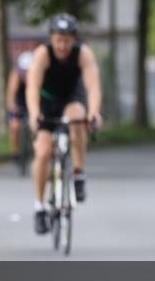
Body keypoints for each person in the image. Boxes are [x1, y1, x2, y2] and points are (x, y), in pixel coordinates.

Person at [26, 14, 103, 235]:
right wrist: (33, 114)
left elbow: (93, 86)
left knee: (77, 119)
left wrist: (94, 111)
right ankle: (39, 207)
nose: (62, 45)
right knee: (42, 152)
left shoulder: (83, 54)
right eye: (58, 39)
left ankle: (79, 173)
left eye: (67, 40)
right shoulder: (43, 54)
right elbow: (32, 87)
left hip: (71, 99)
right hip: (46, 103)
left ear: (74, 40)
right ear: (51, 38)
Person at [6, 51, 33, 159]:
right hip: (19, 102)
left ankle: (33, 147)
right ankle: (15, 152)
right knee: (14, 126)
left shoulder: (38, 75)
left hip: (32, 102)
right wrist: (12, 106)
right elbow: (11, 93)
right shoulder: (16, 76)